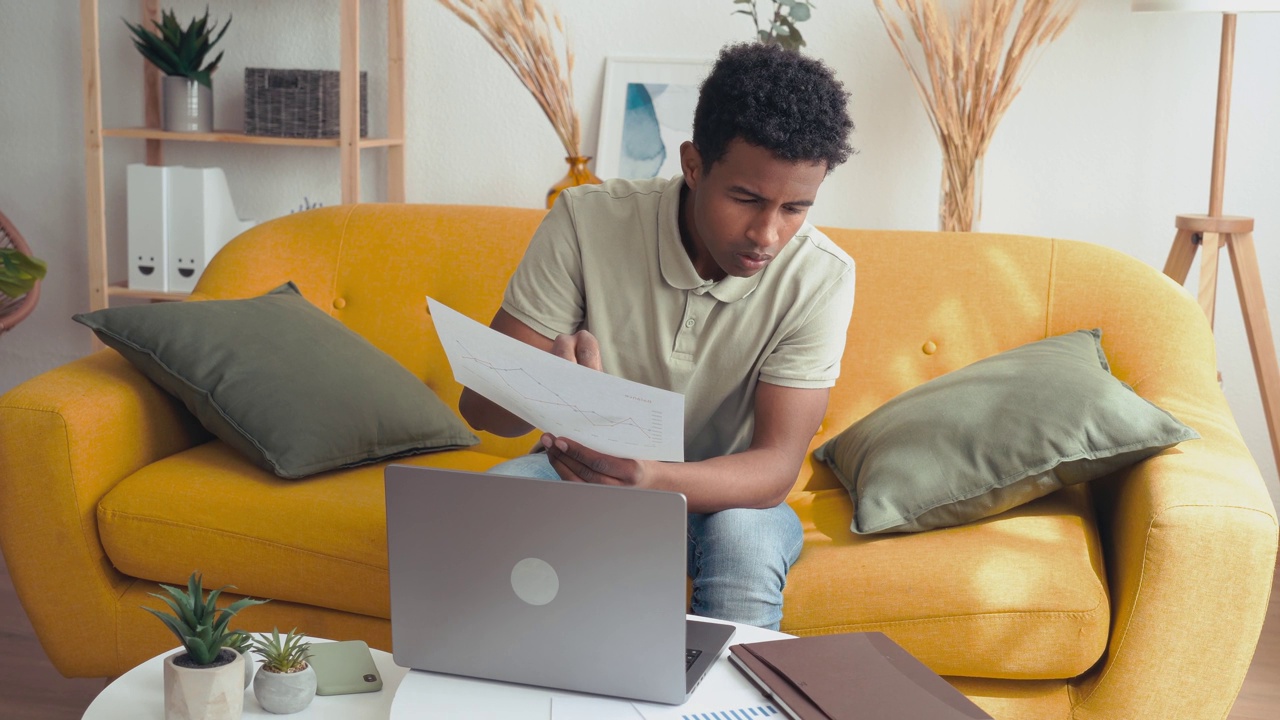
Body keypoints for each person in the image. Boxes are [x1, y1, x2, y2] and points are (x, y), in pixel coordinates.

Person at [458, 41, 855, 631]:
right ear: (693, 165)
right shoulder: (584, 221)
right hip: (584, 473)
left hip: (732, 498)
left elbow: (775, 468)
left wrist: (648, 479)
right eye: (746, 198)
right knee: (501, 496)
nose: (767, 234)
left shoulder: (820, 276)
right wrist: (547, 389)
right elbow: (481, 410)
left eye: (796, 208)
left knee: (747, 541)